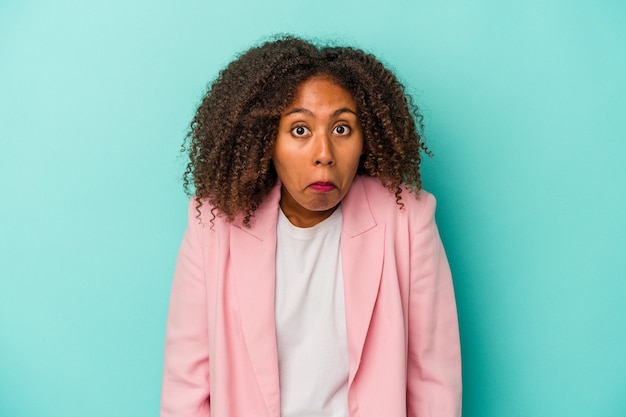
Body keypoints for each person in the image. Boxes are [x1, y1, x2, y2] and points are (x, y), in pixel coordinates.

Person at [161, 35, 461, 417]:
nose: (324, 155)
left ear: (365, 138)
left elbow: (434, 382)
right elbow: (185, 388)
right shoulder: (212, 226)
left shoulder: (408, 222)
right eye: (300, 130)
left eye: (341, 129)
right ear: (266, 139)